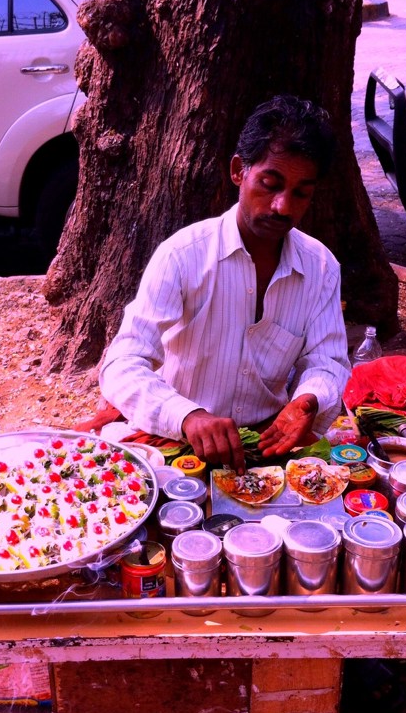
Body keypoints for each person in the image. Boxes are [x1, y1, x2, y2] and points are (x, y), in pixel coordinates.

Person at [97, 95, 350, 474]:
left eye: (301, 193)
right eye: (270, 183)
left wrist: (306, 402)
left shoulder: (321, 268)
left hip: (267, 443)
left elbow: (327, 361)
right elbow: (123, 364)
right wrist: (188, 416)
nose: (282, 206)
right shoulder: (182, 256)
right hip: (178, 439)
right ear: (238, 171)